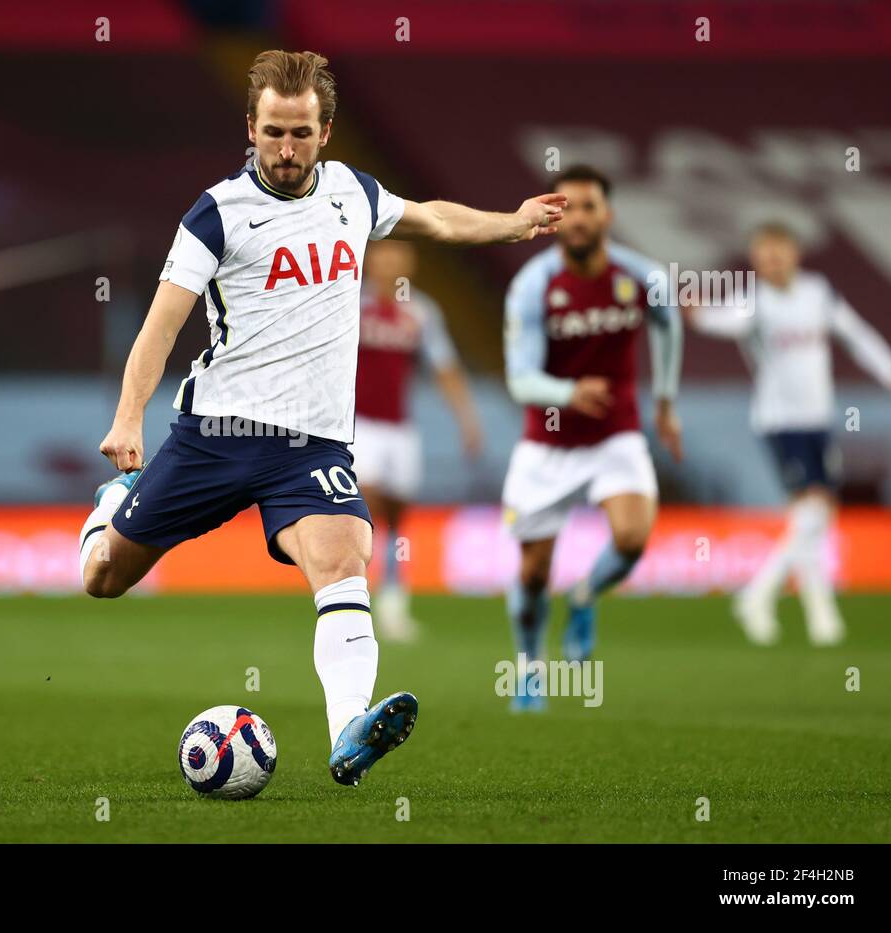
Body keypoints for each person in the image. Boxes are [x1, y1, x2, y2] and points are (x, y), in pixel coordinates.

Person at [78, 49, 565, 784]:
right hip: (216, 434)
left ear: (326, 131)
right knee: (105, 577)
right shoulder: (215, 214)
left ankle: (347, 734)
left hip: (312, 445)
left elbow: (431, 219)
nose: (284, 149)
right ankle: (108, 509)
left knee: (343, 561)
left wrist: (515, 222)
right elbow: (160, 326)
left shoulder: (352, 193)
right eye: (272, 131)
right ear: (250, 125)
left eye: (300, 133)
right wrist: (128, 417)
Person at [501, 165, 683, 711]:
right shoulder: (535, 285)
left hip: (615, 434)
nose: (577, 218)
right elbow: (519, 378)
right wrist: (568, 392)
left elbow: (668, 324)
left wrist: (666, 403)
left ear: (607, 215)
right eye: (569, 208)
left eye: (588, 207)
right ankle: (530, 670)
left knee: (631, 539)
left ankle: (584, 596)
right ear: (557, 217)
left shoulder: (640, 277)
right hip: (548, 444)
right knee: (533, 572)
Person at [686, 222, 891, 646]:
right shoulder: (754, 302)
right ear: (754, 260)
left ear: (795, 254)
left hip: (817, 418)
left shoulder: (818, 293)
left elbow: (857, 335)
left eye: (779, 252)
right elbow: (719, 320)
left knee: (814, 517)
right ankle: (798, 606)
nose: (773, 260)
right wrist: (693, 311)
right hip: (779, 421)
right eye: (765, 254)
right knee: (814, 510)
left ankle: (791, 606)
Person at [351, 238, 483, 642]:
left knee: (397, 518)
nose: (391, 263)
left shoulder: (421, 312)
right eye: (384, 255)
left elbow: (444, 367)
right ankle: (357, 601)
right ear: (370, 261)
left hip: (400, 429)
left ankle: (394, 602)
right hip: (358, 425)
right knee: (365, 506)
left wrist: (467, 419)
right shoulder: (350, 304)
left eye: (399, 255)